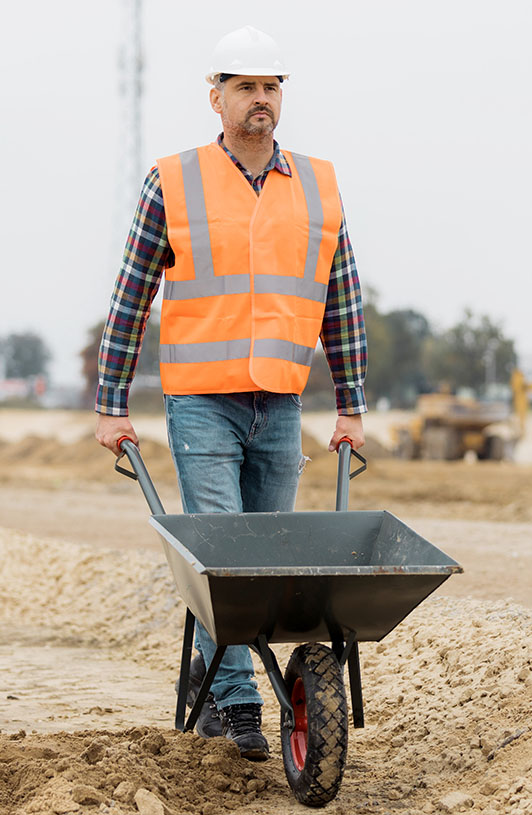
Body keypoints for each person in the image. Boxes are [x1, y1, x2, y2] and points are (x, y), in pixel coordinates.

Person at [95, 25, 367, 761]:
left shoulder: (318, 184)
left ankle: (212, 672)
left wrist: (351, 406)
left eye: (271, 87)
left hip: (280, 401)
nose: (260, 100)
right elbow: (131, 296)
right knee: (225, 551)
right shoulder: (174, 179)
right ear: (215, 96)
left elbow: (340, 300)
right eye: (245, 87)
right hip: (202, 401)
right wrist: (111, 402)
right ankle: (243, 704)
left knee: (265, 561)